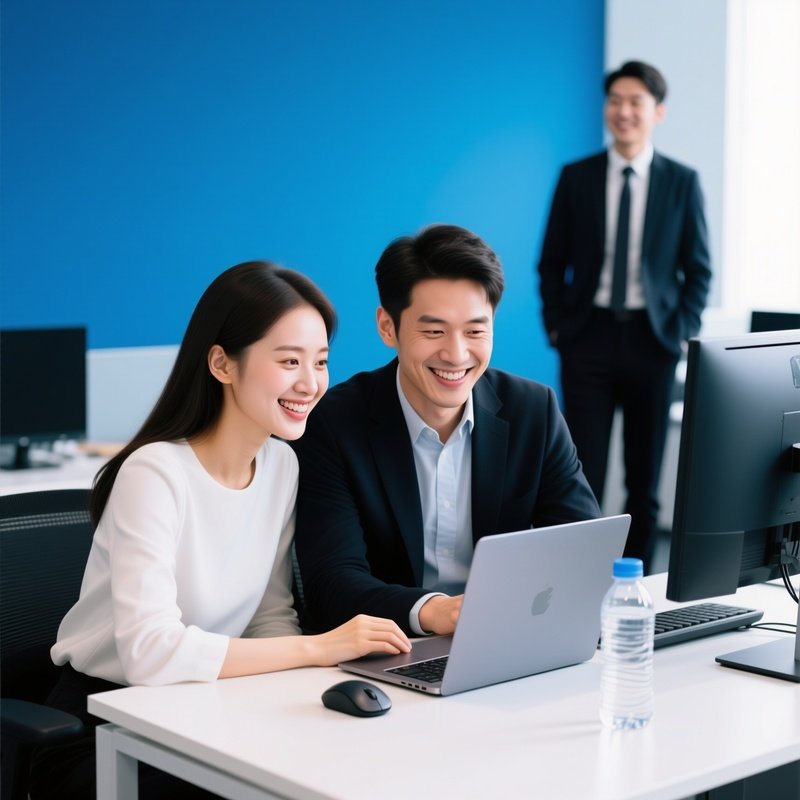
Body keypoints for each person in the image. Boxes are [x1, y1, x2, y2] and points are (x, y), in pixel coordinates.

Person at [30, 261, 410, 800]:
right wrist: (318, 649)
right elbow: (150, 652)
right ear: (222, 363)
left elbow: (268, 615)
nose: (311, 383)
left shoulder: (281, 465)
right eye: (289, 361)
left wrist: (303, 697)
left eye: (321, 361)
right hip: (101, 724)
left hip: (207, 703)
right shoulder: (154, 472)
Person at [292, 224, 600, 638]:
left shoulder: (534, 411)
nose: (456, 355)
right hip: (390, 648)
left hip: (507, 638)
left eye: (475, 331)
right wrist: (433, 612)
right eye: (434, 331)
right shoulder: (333, 423)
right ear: (387, 327)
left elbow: (582, 552)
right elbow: (331, 584)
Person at [537, 61, 712, 571]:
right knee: (580, 472)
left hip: (652, 341)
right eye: (615, 100)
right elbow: (551, 261)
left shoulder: (682, 182)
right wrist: (558, 326)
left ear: (657, 112)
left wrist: (680, 333)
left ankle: (637, 585)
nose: (624, 111)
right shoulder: (577, 177)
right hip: (586, 337)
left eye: (636, 101)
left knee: (644, 478)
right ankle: (579, 577)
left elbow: (698, 270)